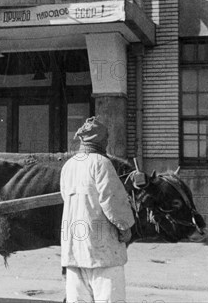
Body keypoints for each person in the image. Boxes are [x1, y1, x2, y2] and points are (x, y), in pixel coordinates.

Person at [60, 117, 135, 302]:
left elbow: (64, 198)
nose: (107, 142)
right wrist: (125, 228)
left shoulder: (69, 165)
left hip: (73, 251)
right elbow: (113, 201)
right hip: (102, 253)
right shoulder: (101, 163)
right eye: (106, 139)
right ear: (101, 140)